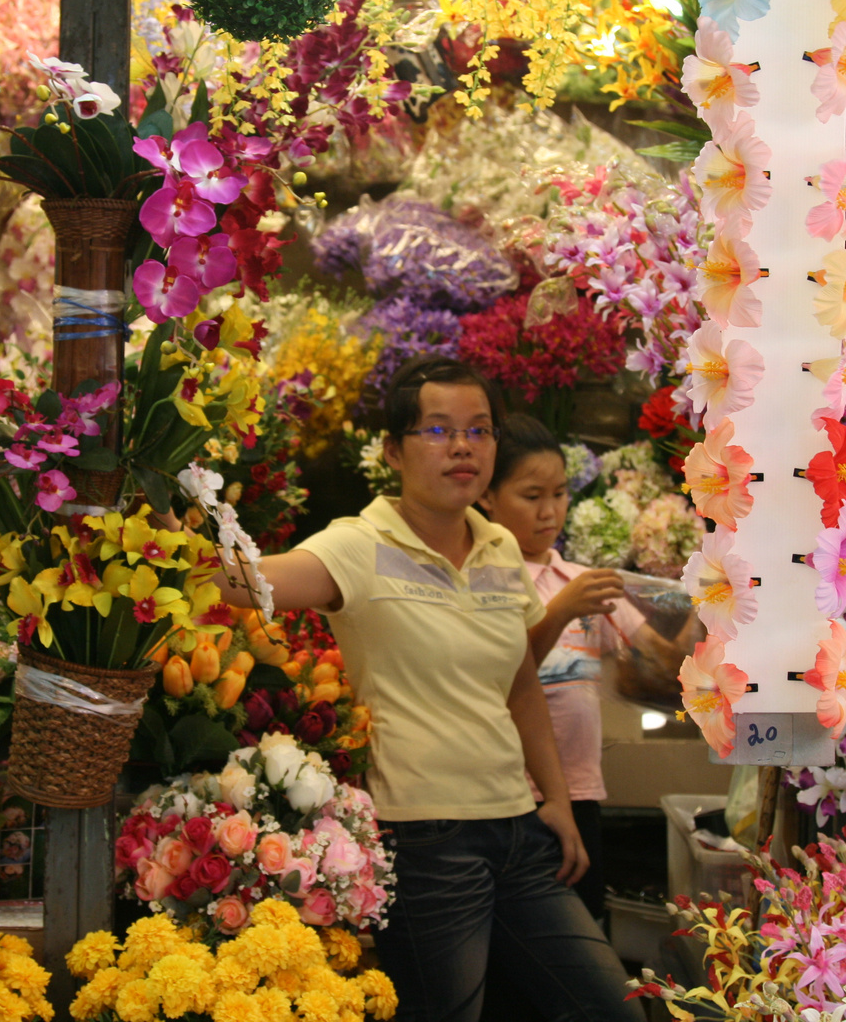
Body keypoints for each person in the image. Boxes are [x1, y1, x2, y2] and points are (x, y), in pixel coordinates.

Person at [182, 354, 641, 1022]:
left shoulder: (501, 548)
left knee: (614, 1008)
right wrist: (158, 522)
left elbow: (520, 687)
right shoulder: (358, 546)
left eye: (479, 430)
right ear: (394, 452)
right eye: (438, 430)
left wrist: (559, 804)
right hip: (426, 841)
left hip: (518, 829)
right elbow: (248, 583)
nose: (462, 446)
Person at [477, 414, 704, 922]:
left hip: (579, 795)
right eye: (531, 495)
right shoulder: (479, 577)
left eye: (559, 494)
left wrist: (708, 601)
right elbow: (499, 678)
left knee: (582, 932)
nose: (550, 511)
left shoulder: (581, 579)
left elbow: (663, 666)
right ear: (486, 496)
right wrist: (560, 611)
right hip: (505, 798)